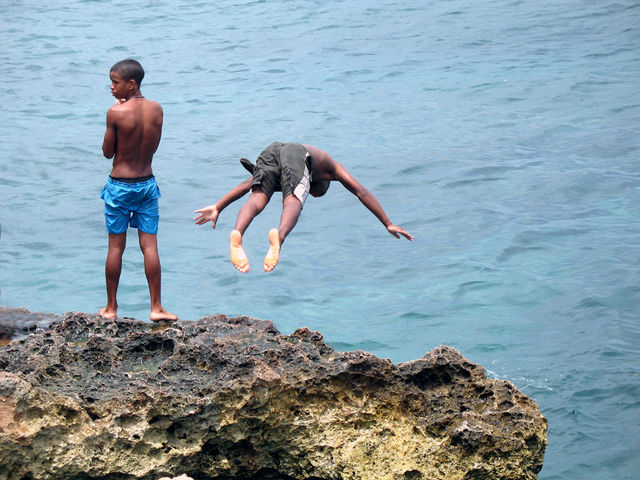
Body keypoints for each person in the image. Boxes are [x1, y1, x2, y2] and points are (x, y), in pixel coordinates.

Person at [194, 142, 413, 273]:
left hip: (270, 151)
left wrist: (218, 207)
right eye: (315, 192)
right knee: (293, 201)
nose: (312, 193)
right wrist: (387, 222)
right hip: (296, 153)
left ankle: (237, 232)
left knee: (257, 196)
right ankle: (278, 238)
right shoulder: (332, 169)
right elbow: (361, 192)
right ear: (324, 180)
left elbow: (246, 185)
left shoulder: (301, 172)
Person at [99, 59, 177, 322]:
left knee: (115, 247)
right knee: (150, 246)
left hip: (120, 186)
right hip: (147, 184)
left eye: (115, 82)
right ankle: (156, 308)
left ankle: (111, 308)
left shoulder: (116, 113)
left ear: (131, 84)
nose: (111, 87)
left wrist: (115, 114)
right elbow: (152, 147)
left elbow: (108, 152)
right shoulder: (157, 109)